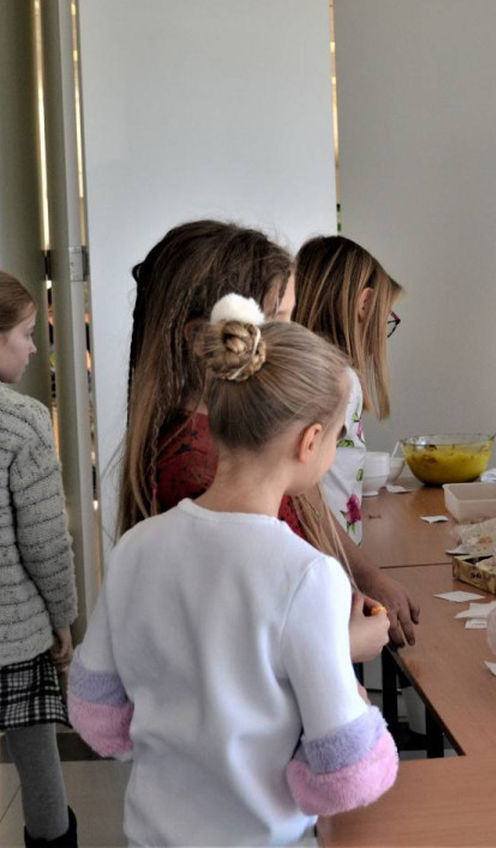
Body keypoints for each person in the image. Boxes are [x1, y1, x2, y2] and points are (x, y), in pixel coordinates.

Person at [69, 297, 397, 846]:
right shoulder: (308, 576)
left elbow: (95, 709)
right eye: (336, 437)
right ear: (309, 442)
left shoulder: (135, 546)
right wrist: (340, 648)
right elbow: (346, 767)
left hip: (150, 834)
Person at [120, 221, 418, 649]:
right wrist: (344, 643)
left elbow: (306, 505)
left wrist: (364, 576)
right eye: (278, 320)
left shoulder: (246, 430)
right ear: (201, 339)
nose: (294, 336)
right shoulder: (198, 468)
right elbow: (247, 648)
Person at [0, 271, 78, 848]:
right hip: (17, 634)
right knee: (36, 756)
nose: (33, 347)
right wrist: (63, 618)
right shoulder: (24, 423)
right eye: (26, 334)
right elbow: (46, 542)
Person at [294, 236, 400, 546]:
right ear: (364, 304)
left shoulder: (302, 369)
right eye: (386, 317)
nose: (383, 330)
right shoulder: (340, 379)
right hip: (327, 553)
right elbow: (307, 494)